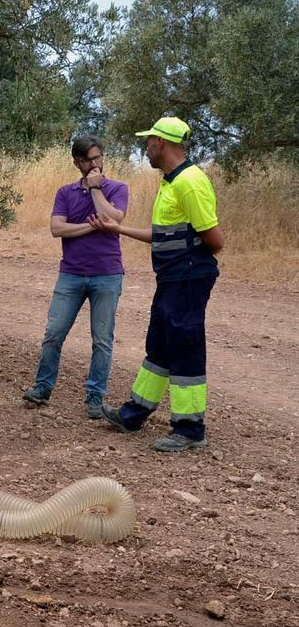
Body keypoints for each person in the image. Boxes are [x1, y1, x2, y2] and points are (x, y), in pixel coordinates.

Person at [92, 116, 223, 452]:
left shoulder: (189, 182)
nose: (146, 146)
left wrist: (189, 261)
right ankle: (134, 414)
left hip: (188, 276)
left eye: (148, 141)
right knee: (161, 344)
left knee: (185, 345)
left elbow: (214, 240)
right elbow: (164, 235)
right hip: (171, 277)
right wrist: (117, 230)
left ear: (160, 143)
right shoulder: (171, 182)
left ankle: (190, 429)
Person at [22, 135, 129, 418]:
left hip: (107, 273)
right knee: (54, 333)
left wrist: (96, 191)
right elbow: (57, 229)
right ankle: (42, 387)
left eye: (98, 157)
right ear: (77, 163)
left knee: (102, 339)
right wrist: (91, 227)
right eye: (88, 160)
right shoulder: (65, 192)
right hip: (70, 273)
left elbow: (113, 219)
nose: (95, 164)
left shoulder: (117, 188)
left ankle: (95, 397)